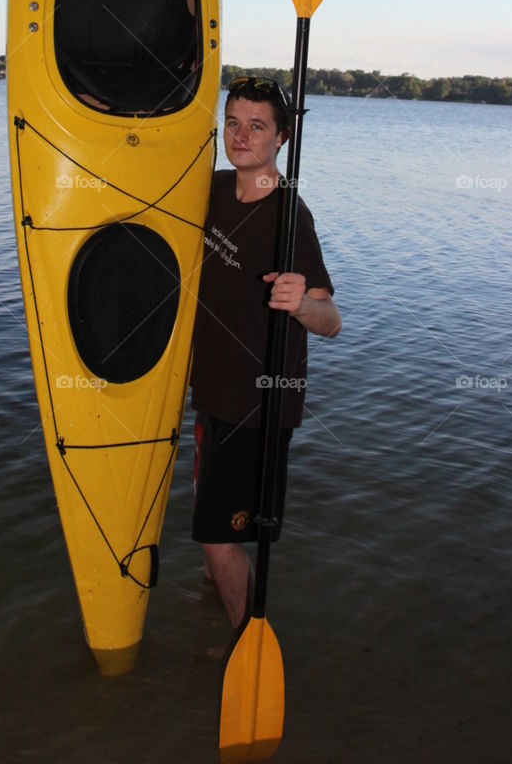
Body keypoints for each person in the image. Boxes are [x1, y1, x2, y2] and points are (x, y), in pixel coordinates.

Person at [189, 75, 341, 633]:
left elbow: (332, 323)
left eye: (257, 127)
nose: (241, 136)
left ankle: (247, 642)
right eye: (233, 123)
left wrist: (302, 305)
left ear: (280, 139)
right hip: (210, 393)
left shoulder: (289, 217)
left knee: (216, 535)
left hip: (258, 406)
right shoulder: (208, 190)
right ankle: (213, 606)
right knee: (216, 530)